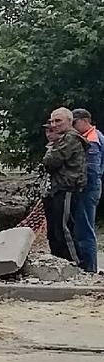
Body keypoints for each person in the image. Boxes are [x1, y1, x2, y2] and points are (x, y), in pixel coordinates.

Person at [41, 107, 87, 265]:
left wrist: (51, 149)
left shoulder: (71, 138)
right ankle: (59, 261)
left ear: (70, 121)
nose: (54, 125)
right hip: (58, 188)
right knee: (54, 230)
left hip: (66, 188)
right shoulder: (64, 139)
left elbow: (50, 162)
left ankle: (75, 263)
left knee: (64, 228)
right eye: (52, 121)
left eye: (58, 121)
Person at [70, 108, 102, 273]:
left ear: (84, 120)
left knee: (84, 230)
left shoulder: (92, 139)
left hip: (88, 188)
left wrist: (80, 185)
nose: (73, 127)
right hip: (90, 188)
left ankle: (89, 269)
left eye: (74, 123)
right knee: (82, 227)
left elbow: (92, 169)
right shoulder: (91, 136)